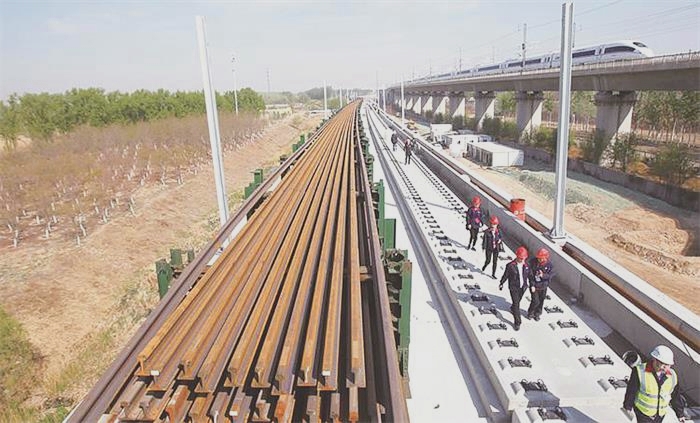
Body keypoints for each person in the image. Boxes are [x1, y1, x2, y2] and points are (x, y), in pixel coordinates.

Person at [623, 345, 686, 422]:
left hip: (660, 414)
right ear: (655, 360)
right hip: (643, 413)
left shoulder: (672, 376)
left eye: (668, 365)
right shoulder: (639, 371)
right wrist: (627, 406)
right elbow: (631, 391)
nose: (665, 367)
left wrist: (680, 414)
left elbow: (675, 396)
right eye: (663, 364)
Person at [498, 246, 531, 331]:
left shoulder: (526, 265)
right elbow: (505, 275)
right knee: (517, 304)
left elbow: (530, 276)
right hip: (514, 288)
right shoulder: (510, 266)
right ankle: (517, 322)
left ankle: (513, 308)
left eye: (523, 258)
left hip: (523, 287)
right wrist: (501, 283)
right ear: (517, 256)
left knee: (517, 302)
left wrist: (532, 285)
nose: (522, 260)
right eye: (521, 258)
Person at [527, 248, 554, 321]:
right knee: (535, 301)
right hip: (534, 286)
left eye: (541, 258)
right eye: (539, 258)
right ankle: (530, 313)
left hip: (543, 286)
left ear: (545, 257)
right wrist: (532, 285)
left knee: (541, 301)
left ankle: (537, 314)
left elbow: (551, 275)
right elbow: (530, 274)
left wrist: (543, 275)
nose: (539, 259)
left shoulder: (549, 265)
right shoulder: (533, 262)